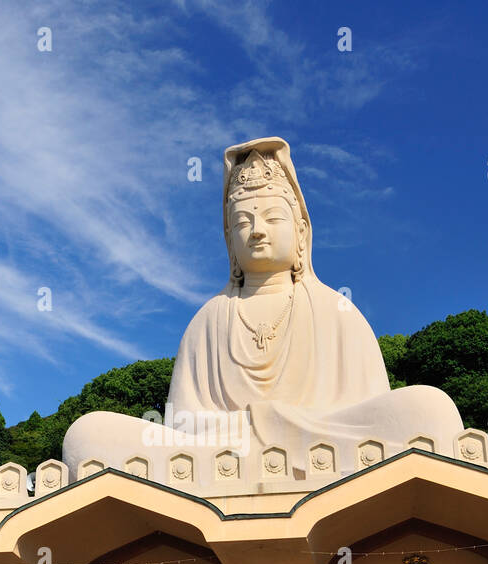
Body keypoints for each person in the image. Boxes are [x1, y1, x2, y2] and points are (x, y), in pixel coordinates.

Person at [62, 136, 462, 477]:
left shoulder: (337, 312)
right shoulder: (208, 320)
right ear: (229, 242)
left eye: (272, 218)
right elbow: (182, 427)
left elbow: (368, 410)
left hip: (326, 446)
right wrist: (253, 427)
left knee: (431, 410)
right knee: (88, 434)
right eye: (241, 222)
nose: (256, 231)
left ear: (301, 231)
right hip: (219, 457)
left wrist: (279, 423)